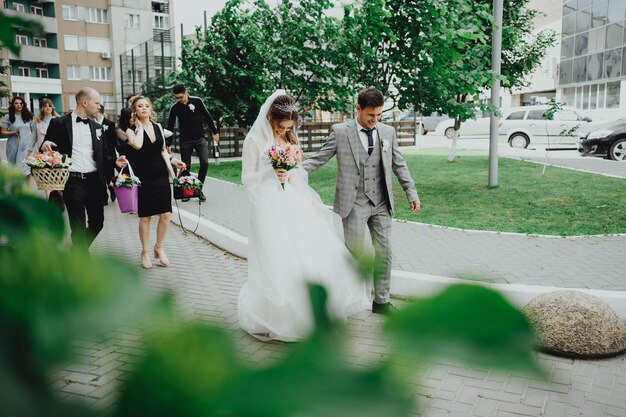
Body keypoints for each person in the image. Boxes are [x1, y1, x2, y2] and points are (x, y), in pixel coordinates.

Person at [238, 90, 368, 342]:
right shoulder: (253, 141)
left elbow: (295, 174)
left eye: (288, 127)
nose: (283, 131)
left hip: (291, 202)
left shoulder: (288, 138)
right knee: (274, 259)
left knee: (304, 255)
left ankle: (307, 316)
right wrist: (269, 174)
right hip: (266, 205)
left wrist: (307, 199)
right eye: (279, 127)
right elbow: (247, 178)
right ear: (269, 118)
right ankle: (276, 318)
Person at [302, 87, 420, 315]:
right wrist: (292, 171)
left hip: (381, 202)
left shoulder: (387, 132)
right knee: (354, 255)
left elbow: (399, 164)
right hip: (354, 203)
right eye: (370, 116)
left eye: (379, 115)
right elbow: (319, 158)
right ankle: (349, 300)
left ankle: (381, 301)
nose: (375, 120)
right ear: (358, 109)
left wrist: (410, 191)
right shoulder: (340, 132)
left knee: (385, 251)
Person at [41, 87, 128, 251]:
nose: (99, 106)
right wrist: (44, 145)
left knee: (97, 223)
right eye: (97, 103)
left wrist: (115, 161)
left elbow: (103, 156)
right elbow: (45, 148)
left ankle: (77, 250)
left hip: (95, 181)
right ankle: (81, 257)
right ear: (84, 102)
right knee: (78, 227)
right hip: (72, 181)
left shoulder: (97, 128)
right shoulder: (58, 123)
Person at [125, 96, 186, 269]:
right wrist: (138, 128)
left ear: (151, 109)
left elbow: (162, 151)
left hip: (160, 175)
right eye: (140, 106)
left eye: (146, 106)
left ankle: (159, 247)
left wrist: (174, 161)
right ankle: (145, 251)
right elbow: (137, 146)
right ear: (135, 111)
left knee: (166, 214)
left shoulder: (158, 127)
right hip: (143, 176)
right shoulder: (130, 130)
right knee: (146, 217)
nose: (144, 108)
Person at [166, 83, 219, 202]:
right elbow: (169, 126)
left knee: (204, 162)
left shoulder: (197, 101)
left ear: (186, 92)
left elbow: (207, 116)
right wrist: (168, 144)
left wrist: (215, 132)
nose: (179, 100)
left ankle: (199, 189)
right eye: (176, 98)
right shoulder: (175, 107)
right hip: (185, 140)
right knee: (186, 166)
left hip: (200, 138)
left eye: (180, 97)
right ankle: (187, 190)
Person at [1, 96, 36, 186]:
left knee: (28, 168)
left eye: (21, 103)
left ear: (23, 105)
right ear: (12, 105)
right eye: (16, 103)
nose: (19, 105)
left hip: (26, 146)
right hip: (13, 146)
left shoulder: (29, 116)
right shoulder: (8, 117)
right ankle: (17, 191)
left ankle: (28, 192)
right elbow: (3, 131)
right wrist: (13, 133)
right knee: (15, 169)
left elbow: (34, 132)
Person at [33, 98, 60, 199]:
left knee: (56, 177)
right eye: (45, 106)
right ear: (41, 108)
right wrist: (28, 152)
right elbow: (33, 138)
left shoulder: (59, 119)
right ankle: (50, 199)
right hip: (43, 153)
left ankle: (58, 197)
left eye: (49, 105)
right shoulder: (37, 121)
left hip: (56, 152)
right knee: (45, 177)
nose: (48, 108)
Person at [95, 104, 118, 203]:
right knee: (100, 177)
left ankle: (112, 191)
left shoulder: (110, 123)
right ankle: (103, 198)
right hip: (97, 155)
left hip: (109, 154)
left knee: (110, 176)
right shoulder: (91, 123)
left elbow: (114, 140)